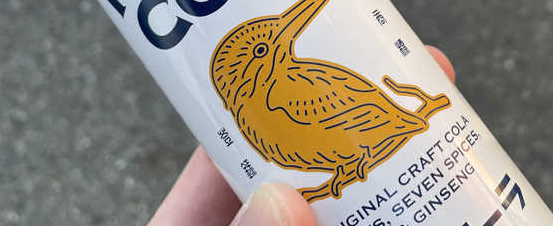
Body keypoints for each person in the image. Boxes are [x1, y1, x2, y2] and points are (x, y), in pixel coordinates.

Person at [148, 46, 456, 226]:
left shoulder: (287, 88)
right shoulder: (263, 107)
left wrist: (395, 127)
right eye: (262, 50)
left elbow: (364, 114)